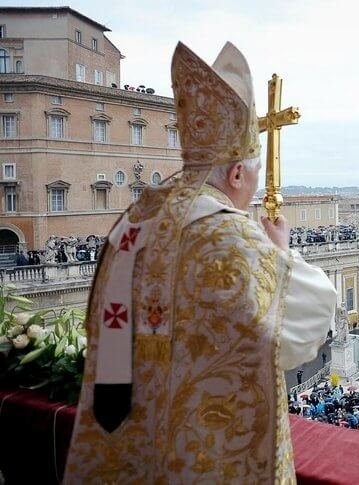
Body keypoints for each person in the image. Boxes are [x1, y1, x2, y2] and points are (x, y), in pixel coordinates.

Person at [64, 42, 337, 483]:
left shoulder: (133, 225)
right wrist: (281, 253)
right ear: (235, 174)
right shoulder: (229, 233)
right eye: (252, 178)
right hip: (210, 456)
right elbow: (303, 328)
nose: (250, 190)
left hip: (134, 441)